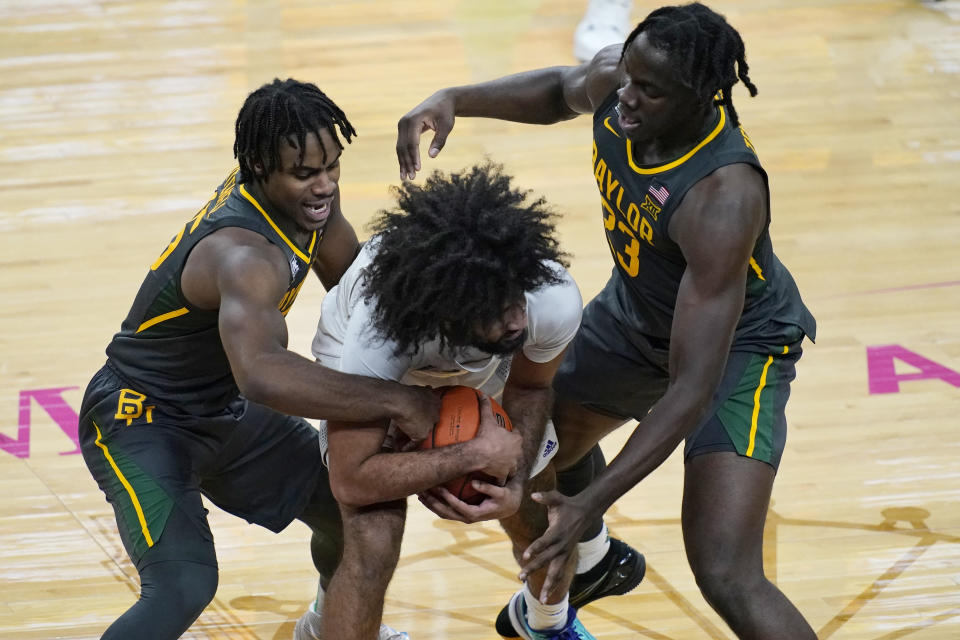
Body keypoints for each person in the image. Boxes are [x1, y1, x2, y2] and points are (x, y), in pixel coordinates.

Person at [396, 3, 819, 639]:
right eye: (627, 75)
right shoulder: (621, 85)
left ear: (702, 97)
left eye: (649, 89)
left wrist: (595, 498)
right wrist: (454, 96)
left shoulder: (723, 197)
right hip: (634, 315)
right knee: (528, 448)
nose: (625, 96)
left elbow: (690, 387)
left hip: (737, 350)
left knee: (725, 569)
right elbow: (558, 91)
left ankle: (587, 539)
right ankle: (591, 565)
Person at [76, 78, 443, 640]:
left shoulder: (309, 199)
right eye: (304, 174)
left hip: (218, 409)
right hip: (140, 419)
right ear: (258, 168)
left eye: (332, 166)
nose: (323, 185)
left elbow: (357, 286)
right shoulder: (244, 255)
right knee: (184, 585)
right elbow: (262, 374)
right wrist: (398, 400)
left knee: (354, 507)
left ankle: (327, 627)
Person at [293, 162, 590, 640]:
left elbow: (531, 388)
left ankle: (549, 624)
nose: (517, 319)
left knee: (536, 506)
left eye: (517, 297)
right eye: (496, 309)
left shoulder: (548, 298)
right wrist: (471, 453)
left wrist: (513, 478)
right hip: (374, 376)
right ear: (451, 304)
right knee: (375, 535)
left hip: (477, 367)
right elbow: (352, 479)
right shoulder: (377, 335)